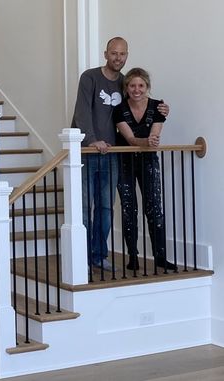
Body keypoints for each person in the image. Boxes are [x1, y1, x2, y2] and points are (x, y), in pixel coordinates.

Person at [71, 37, 169, 271]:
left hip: (113, 153)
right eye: (114, 53)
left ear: (127, 55)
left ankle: (98, 255)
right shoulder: (90, 77)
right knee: (85, 207)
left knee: (106, 207)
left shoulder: (126, 83)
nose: (118, 58)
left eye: (122, 54)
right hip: (86, 151)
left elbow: (138, 105)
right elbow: (82, 112)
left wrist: (163, 108)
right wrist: (92, 140)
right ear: (106, 54)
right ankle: (82, 258)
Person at [113, 67, 177, 271]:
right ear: (127, 88)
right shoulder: (119, 109)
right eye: (132, 85)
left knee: (154, 208)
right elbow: (131, 139)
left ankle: (160, 256)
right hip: (125, 162)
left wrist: (151, 141)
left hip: (149, 161)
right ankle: (133, 256)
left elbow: (155, 138)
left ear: (147, 87)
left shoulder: (158, 107)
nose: (136, 89)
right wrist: (147, 141)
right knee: (128, 209)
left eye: (141, 85)